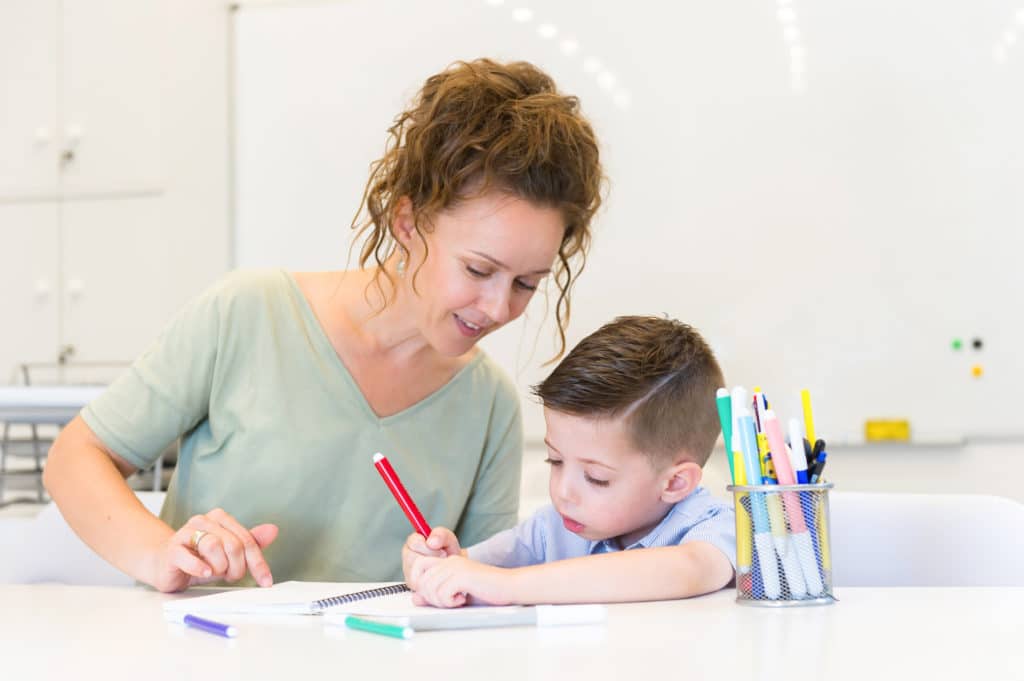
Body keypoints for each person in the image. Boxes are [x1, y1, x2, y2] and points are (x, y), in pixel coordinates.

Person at [43, 59, 603, 593]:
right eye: (479, 269)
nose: (499, 307)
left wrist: (461, 580)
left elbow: (480, 598)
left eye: (527, 283)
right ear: (408, 221)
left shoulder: (489, 408)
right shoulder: (248, 314)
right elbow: (77, 456)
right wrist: (161, 554)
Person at [402, 316, 735, 606]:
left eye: (595, 477)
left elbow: (686, 570)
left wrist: (508, 586)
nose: (563, 492)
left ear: (675, 483)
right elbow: (471, 568)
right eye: (555, 461)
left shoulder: (715, 527)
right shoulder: (554, 527)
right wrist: (437, 564)